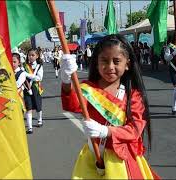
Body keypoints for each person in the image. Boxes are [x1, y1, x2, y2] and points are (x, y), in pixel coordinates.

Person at [60, 34, 160, 179]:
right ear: (96, 63)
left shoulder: (133, 96)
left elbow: (134, 130)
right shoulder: (88, 89)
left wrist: (106, 131)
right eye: (104, 61)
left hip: (122, 161)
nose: (110, 67)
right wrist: (66, 81)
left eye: (116, 61)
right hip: (93, 156)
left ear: (127, 64)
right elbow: (72, 104)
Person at [23, 48, 44, 134]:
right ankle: (30, 127)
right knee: (29, 107)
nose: (30, 57)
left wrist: (27, 74)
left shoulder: (39, 66)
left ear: (37, 56)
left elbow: (39, 78)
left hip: (36, 88)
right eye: (29, 55)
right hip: (27, 88)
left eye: (33, 55)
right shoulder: (24, 66)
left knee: (38, 106)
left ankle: (39, 119)